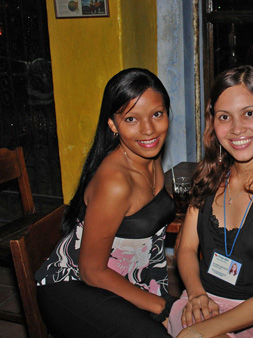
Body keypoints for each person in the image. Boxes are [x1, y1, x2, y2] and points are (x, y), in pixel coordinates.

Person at [167, 65, 253, 338]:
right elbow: (185, 249)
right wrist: (196, 295)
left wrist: (198, 333)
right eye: (224, 117)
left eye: (249, 113)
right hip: (201, 301)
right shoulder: (209, 179)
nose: (236, 128)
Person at [35, 68, 175, 338]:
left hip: (124, 279)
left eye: (157, 114)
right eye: (131, 118)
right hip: (73, 286)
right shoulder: (115, 183)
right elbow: (91, 270)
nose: (148, 129)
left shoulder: (148, 153)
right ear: (113, 124)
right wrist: (162, 306)